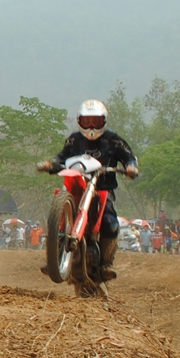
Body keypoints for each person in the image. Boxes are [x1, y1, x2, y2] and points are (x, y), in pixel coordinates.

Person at [37, 99, 139, 280]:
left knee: (110, 222)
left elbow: (129, 157)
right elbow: (61, 156)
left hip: (102, 188)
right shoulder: (74, 139)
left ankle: (106, 264)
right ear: (79, 121)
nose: (91, 126)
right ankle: (54, 258)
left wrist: (131, 167)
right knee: (58, 216)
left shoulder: (114, 140)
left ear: (103, 121)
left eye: (95, 121)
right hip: (77, 185)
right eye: (87, 121)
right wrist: (51, 164)